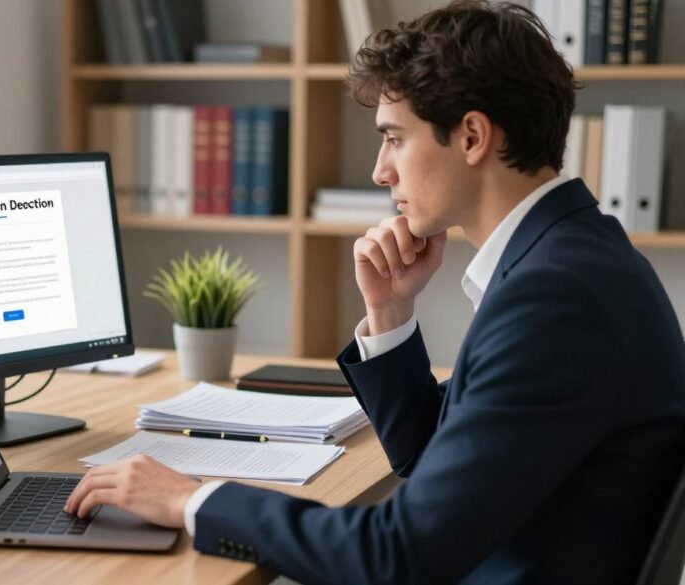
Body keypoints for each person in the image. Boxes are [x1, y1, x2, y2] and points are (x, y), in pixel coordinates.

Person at [65, 1, 685, 582]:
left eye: (394, 138)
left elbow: (397, 555)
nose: (379, 171)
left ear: (472, 137)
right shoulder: (575, 255)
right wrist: (390, 313)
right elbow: (435, 462)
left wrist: (193, 500)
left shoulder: (555, 298)